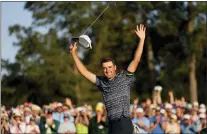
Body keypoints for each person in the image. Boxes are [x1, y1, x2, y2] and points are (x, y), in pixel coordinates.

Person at [69, 24, 146, 134]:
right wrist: (74, 54)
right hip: (112, 125)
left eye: (110, 67)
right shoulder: (102, 82)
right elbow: (84, 72)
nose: (107, 70)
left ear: (115, 68)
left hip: (124, 123)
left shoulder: (124, 77)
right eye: (104, 68)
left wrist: (142, 40)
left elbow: (136, 60)